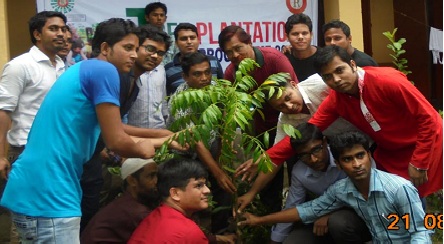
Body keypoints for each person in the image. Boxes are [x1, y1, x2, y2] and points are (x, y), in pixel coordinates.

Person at [0, 18, 159, 243]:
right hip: (49, 194)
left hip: (36, 187)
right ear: (105, 48)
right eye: (127, 48)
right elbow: (116, 141)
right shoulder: (104, 70)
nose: (134, 55)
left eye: (135, 48)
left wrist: (165, 139)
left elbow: (113, 128)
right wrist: (144, 150)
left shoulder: (85, 69)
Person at [264, 45, 443, 198]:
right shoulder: (337, 99)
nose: (336, 80)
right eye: (328, 77)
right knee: (398, 198)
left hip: (425, 145)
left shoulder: (387, 81)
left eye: (339, 70)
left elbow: (430, 119)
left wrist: (419, 161)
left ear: (353, 64)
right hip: (391, 154)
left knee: (417, 199)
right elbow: (309, 130)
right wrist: (264, 159)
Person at [238, 131, 432, 243]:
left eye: (360, 156)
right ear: (339, 164)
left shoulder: (399, 188)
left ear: (369, 156)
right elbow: (306, 210)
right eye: (348, 159)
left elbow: (421, 231)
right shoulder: (342, 189)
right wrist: (259, 220)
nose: (356, 164)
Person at [0, 11, 67, 243]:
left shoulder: (61, 65)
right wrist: (1, 156)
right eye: (53, 29)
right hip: (26, 151)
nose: (61, 33)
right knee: (24, 219)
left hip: (56, 153)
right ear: (37, 34)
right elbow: (4, 112)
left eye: (63, 28)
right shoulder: (20, 66)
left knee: (48, 219)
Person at [219, 25, 298, 213]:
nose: (235, 55)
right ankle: (269, 222)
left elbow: (294, 92)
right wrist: (228, 136)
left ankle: (297, 219)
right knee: (267, 180)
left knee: (297, 172)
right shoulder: (231, 73)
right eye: (229, 52)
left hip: (289, 123)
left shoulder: (275, 59)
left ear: (250, 43)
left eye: (238, 48)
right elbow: (232, 109)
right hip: (262, 130)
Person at [259, 123, 371, 243]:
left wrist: (329, 214)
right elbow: (296, 207)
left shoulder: (347, 159)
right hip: (320, 218)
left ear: (324, 142)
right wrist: (275, 239)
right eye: (304, 155)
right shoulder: (300, 172)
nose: (313, 159)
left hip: (357, 217)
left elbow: (367, 199)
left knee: (339, 222)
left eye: (316, 150)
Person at [168, 52, 236, 234]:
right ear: (185, 76)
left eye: (207, 72)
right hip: (186, 153)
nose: (205, 78)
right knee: (192, 194)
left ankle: (221, 232)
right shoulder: (180, 98)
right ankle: (192, 233)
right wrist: (218, 172)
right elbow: (195, 139)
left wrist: (222, 158)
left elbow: (224, 124)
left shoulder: (216, 88)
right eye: (197, 74)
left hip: (212, 145)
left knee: (224, 190)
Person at [128, 157, 210, 243]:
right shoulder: (189, 232)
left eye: (205, 185)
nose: (207, 190)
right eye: (198, 186)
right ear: (175, 193)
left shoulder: (153, 217)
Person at [81, 158, 159, 243]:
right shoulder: (135, 212)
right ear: (132, 181)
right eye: (151, 176)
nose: (156, 181)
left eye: (156, 176)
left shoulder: (126, 203)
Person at [127, 25, 171, 129]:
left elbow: (163, 100)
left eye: (160, 53)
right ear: (136, 47)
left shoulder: (161, 69)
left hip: (158, 130)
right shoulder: (122, 75)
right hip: (130, 134)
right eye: (150, 49)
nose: (155, 56)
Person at [165, 23, 223, 95]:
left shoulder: (213, 61)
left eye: (192, 38)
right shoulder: (168, 69)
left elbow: (222, 86)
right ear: (176, 43)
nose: (189, 42)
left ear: (198, 40)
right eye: (184, 39)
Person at [284, 13, 319, 81]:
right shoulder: (284, 60)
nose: (300, 37)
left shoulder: (324, 57)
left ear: (311, 35)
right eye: (295, 34)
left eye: (304, 33)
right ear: (287, 37)